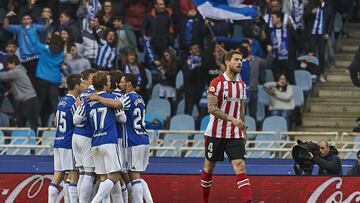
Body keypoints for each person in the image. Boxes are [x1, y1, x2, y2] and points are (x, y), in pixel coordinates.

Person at [200, 50, 262, 203]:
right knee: (209, 168)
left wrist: (243, 129)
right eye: (236, 60)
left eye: (241, 60)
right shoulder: (216, 83)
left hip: (234, 134)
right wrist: (232, 119)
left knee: (240, 165)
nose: (239, 62)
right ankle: (204, 200)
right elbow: (212, 108)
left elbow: (241, 108)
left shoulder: (241, 85)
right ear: (227, 62)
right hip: (215, 133)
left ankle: (248, 201)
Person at [89, 73, 153, 203]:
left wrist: (98, 98)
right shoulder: (140, 98)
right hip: (143, 138)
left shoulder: (127, 98)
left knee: (133, 177)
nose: (119, 84)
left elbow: (117, 104)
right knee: (135, 176)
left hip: (132, 140)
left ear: (129, 84)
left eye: (122, 82)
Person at [76, 72, 126, 203]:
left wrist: (84, 104)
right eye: (109, 81)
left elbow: (77, 119)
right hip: (109, 141)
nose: (110, 83)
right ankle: (95, 201)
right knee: (114, 177)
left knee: (105, 179)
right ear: (105, 85)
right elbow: (122, 115)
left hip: (95, 142)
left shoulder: (87, 101)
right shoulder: (112, 98)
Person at [48, 74, 83, 203]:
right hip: (69, 142)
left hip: (58, 142)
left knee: (58, 175)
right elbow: (78, 120)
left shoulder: (61, 101)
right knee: (74, 174)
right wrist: (80, 107)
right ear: (76, 86)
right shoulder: (74, 102)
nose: (84, 85)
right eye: (82, 83)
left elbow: (56, 122)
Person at [71, 68, 97, 203]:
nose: (97, 78)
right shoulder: (94, 94)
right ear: (86, 79)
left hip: (76, 135)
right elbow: (77, 118)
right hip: (86, 136)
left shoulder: (81, 94)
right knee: (88, 174)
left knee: (82, 174)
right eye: (94, 76)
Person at [0, 55, 39, 132]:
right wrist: (8, 92)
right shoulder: (21, 71)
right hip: (25, 100)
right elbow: (18, 86)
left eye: (8, 65)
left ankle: (38, 140)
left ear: (13, 63)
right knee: (21, 121)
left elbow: (3, 76)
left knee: (32, 122)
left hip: (28, 100)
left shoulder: (16, 71)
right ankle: (24, 140)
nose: (7, 67)